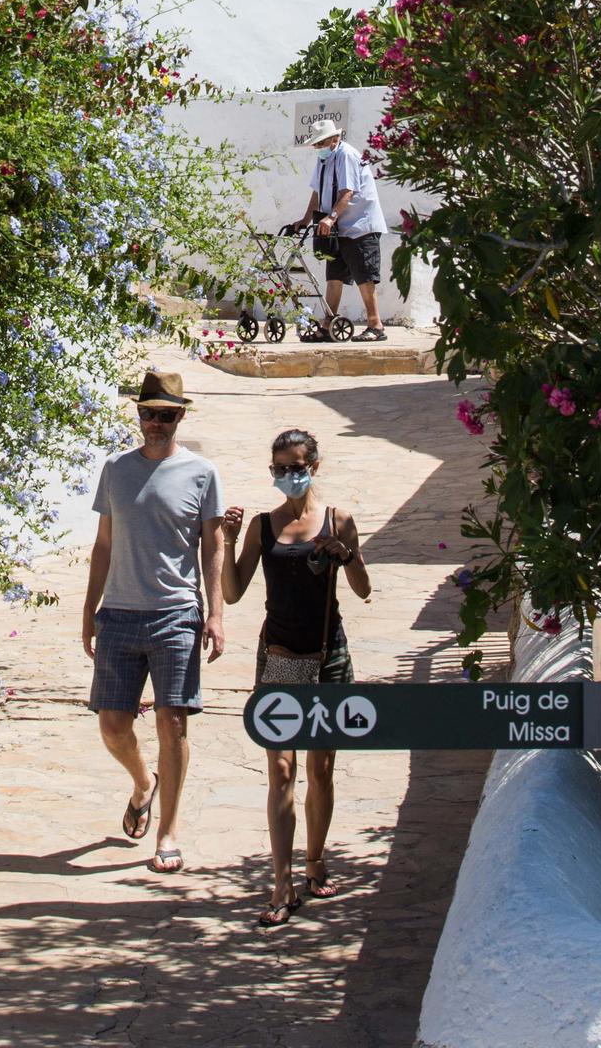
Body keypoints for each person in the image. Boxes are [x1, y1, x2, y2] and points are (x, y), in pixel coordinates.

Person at [221, 426, 371, 926]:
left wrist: (345, 556)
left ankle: (316, 859)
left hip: (328, 656)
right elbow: (234, 591)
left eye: (296, 467)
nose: (288, 475)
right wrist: (226, 541)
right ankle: (281, 881)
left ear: (314, 467)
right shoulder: (263, 527)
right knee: (280, 771)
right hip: (280, 655)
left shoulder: (338, 521)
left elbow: (364, 587)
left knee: (321, 768)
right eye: (279, 468)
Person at [83, 368, 225, 877]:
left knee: (173, 721)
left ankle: (168, 831)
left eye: (166, 415)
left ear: (180, 417)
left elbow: (213, 545)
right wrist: (88, 612)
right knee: (112, 724)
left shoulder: (201, 474)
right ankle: (144, 783)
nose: (156, 423)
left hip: (176, 614)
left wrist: (216, 613)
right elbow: (103, 545)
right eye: (149, 414)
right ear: (139, 415)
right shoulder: (116, 470)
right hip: (119, 613)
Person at [297, 115, 389, 341]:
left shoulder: (346, 155)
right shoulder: (323, 159)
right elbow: (317, 192)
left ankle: (375, 325)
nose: (318, 147)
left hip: (359, 225)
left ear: (334, 139)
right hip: (337, 227)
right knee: (334, 275)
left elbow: (348, 192)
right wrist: (305, 219)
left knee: (364, 275)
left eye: (321, 143)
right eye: (316, 144)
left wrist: (331, 218)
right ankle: (329, 324)